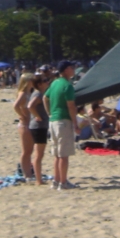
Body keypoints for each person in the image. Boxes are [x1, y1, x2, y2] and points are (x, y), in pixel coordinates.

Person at [45, 61, 79, 190]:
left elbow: (45, 98)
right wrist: (75, 123)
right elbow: (71, 106)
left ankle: (56, 180)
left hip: (53, 120)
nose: (73, 69)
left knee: (57, 154)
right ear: (65, 70)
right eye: (71, 68)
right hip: (63, 121)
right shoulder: (67, 85)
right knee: (64, 154)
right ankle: (63, 182)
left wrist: (49, 113)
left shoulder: (54, 83)